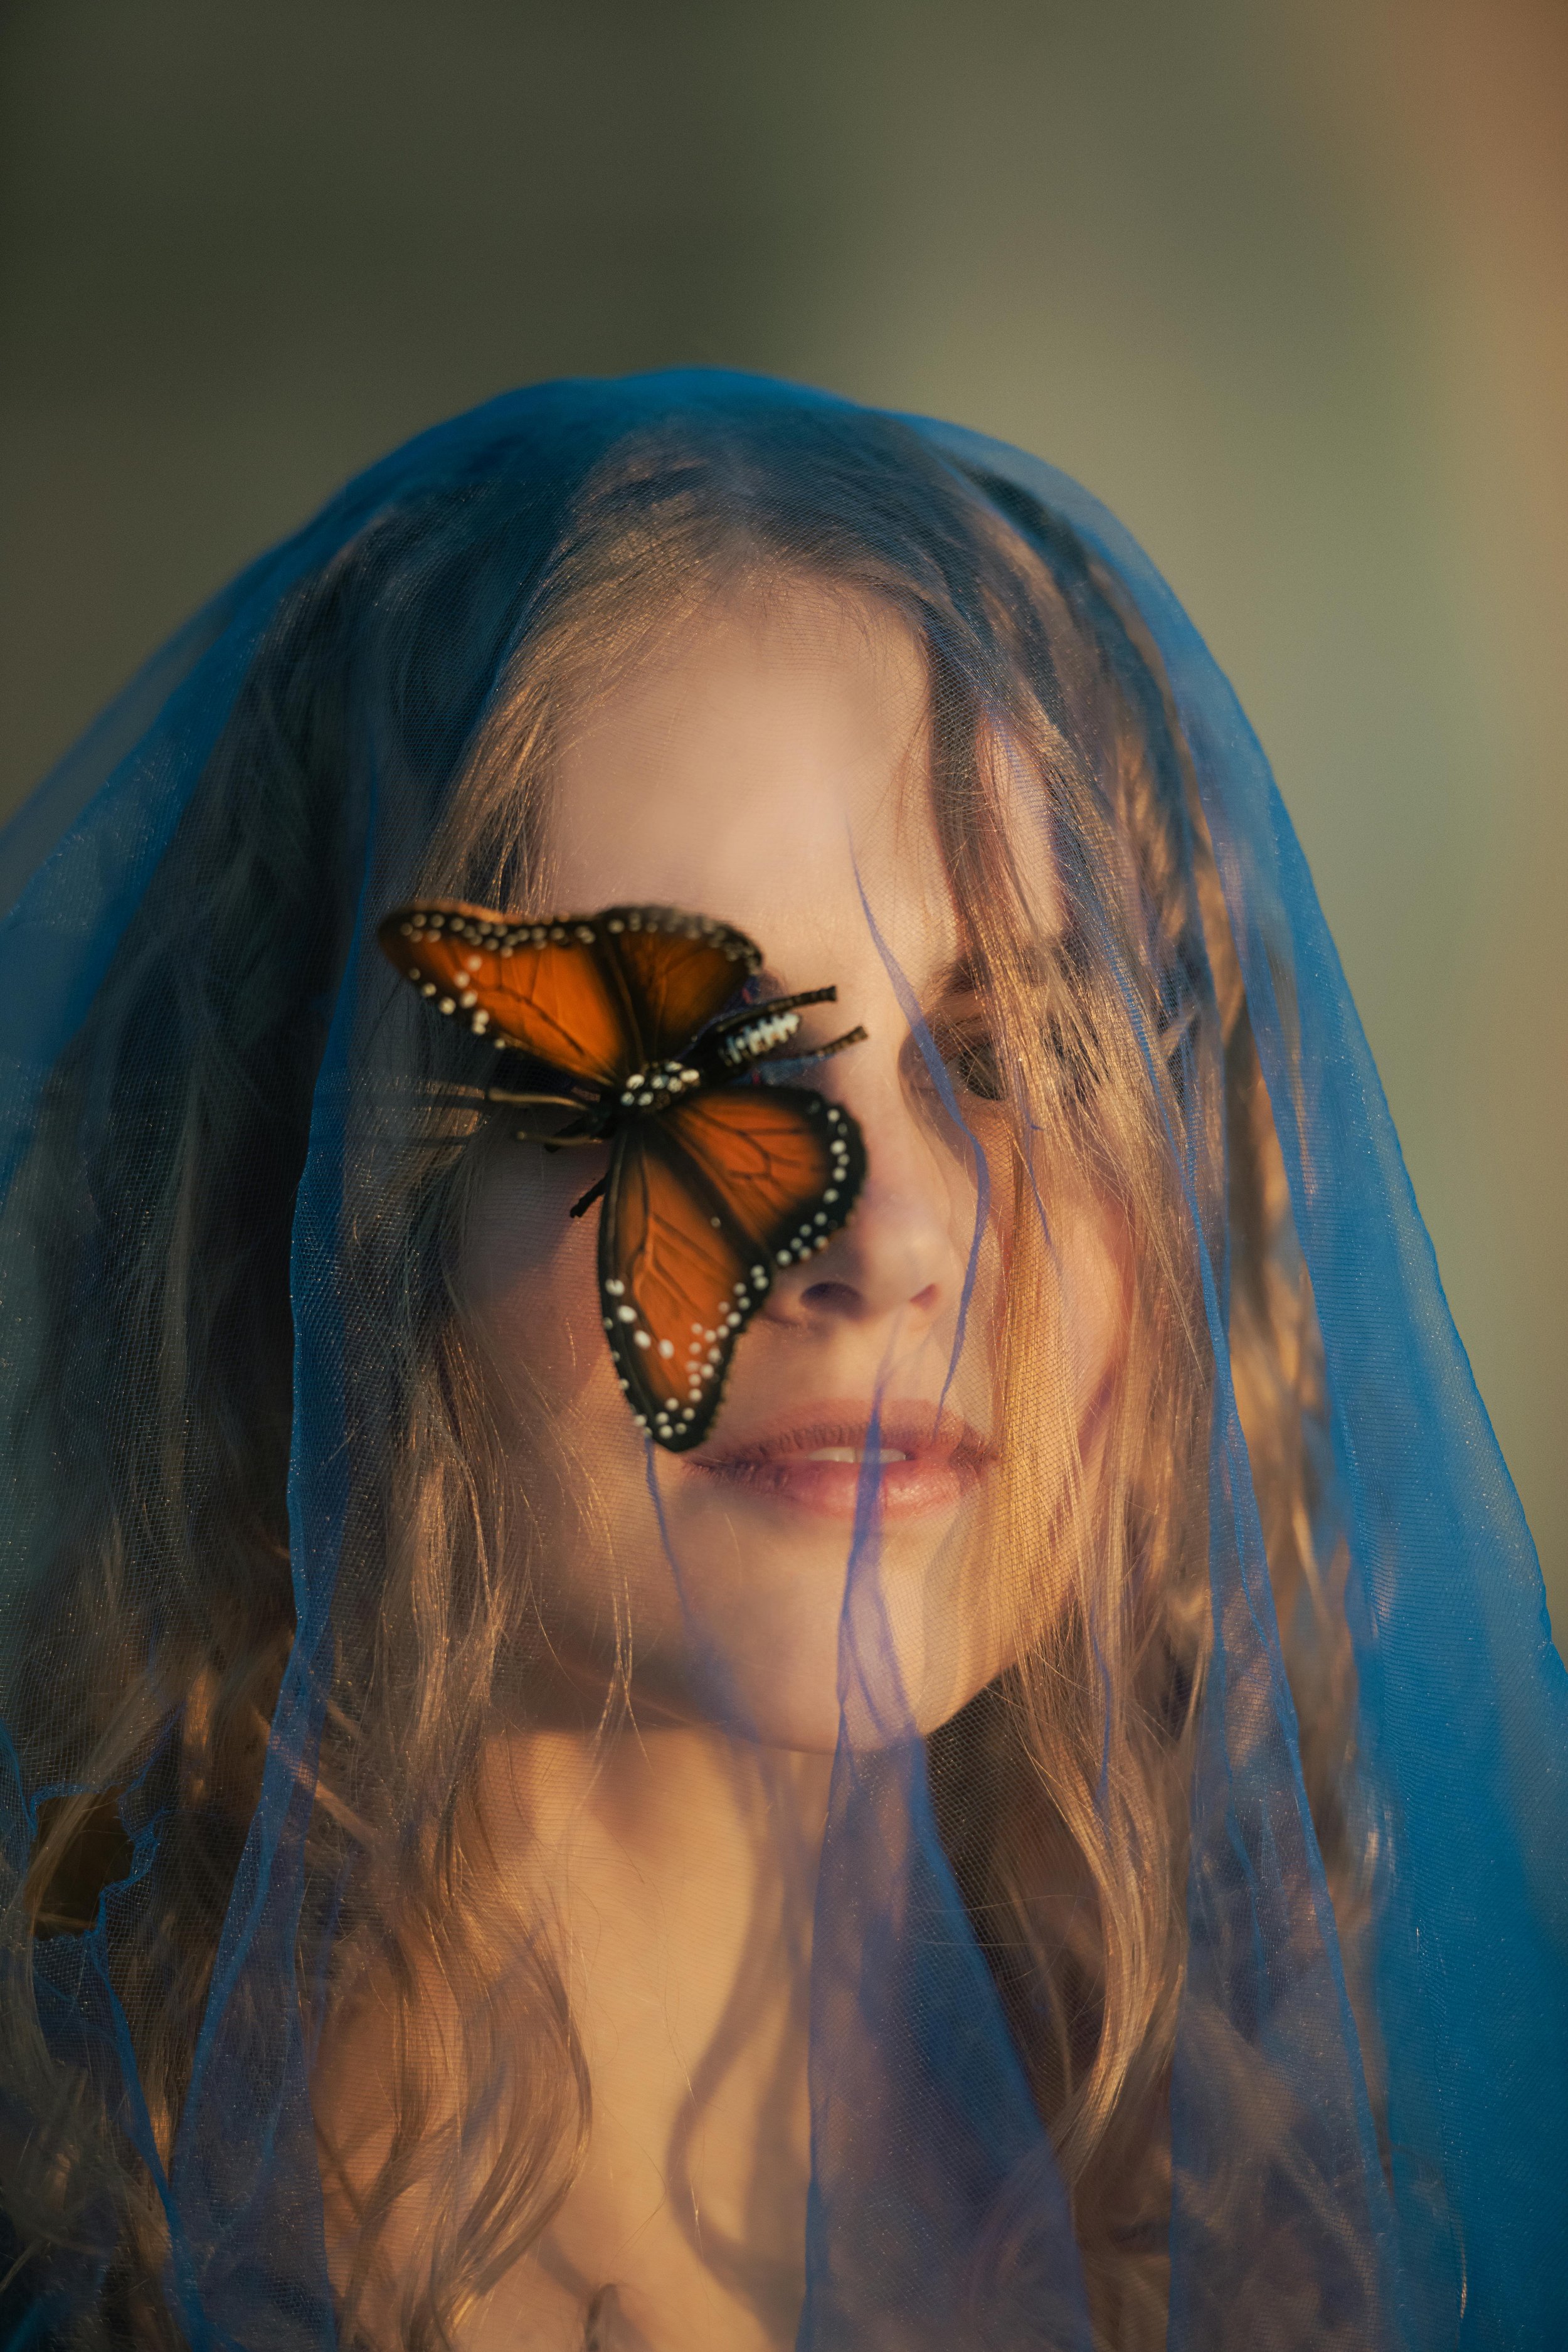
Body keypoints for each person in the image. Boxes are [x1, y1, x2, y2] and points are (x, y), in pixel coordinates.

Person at [0, 374, 1561, 2352]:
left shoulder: (1302, 2236)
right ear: (322, 1210)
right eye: (691, 1071)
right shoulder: (97, 2278)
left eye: (1008, 1056)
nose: (895, 1235)